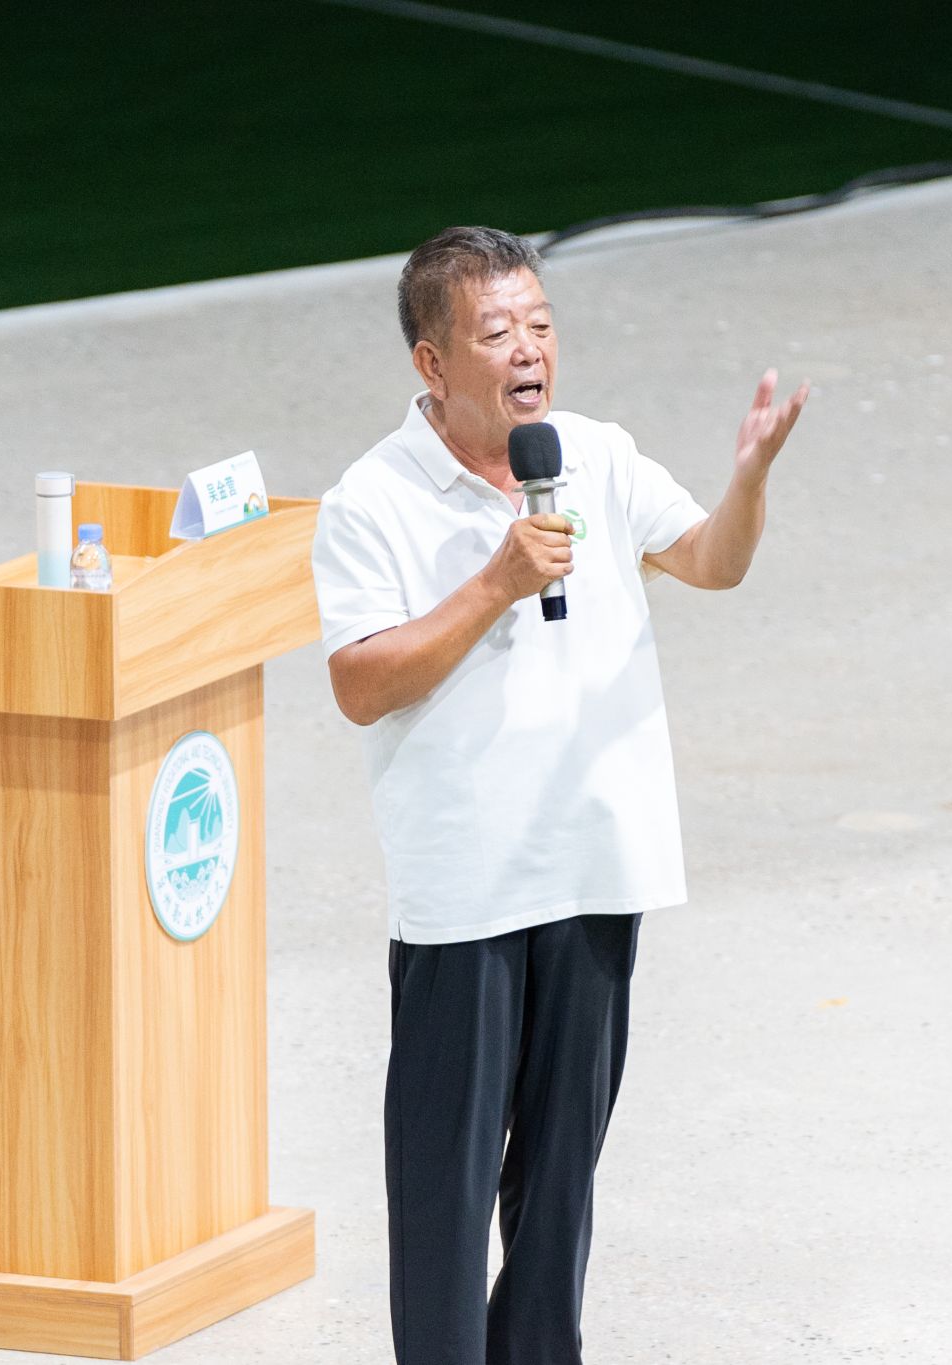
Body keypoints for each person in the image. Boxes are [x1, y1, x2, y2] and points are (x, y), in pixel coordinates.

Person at [309, 225, 809, 1365]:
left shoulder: (594, 456)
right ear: (432, 362)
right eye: (496, 332)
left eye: (539, 323)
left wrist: (747, 484)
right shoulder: (371, 500)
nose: (528, 348)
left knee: (559, 1184)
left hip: (595, 867)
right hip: (467, 896)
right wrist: (495, 580)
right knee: (443, 1187)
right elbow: (358, 682)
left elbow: (713, 561)